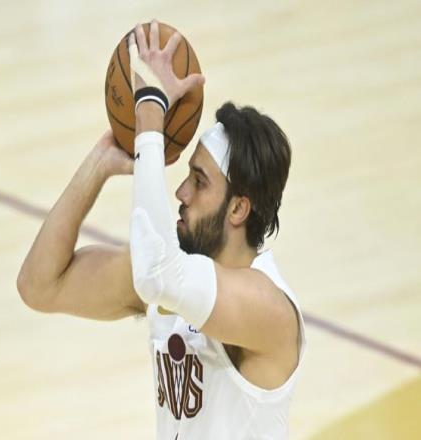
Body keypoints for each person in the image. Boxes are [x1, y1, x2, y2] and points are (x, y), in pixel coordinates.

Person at [17, 20, 305, 440]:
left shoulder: (268, 309)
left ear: (238, 208)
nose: (182, 191)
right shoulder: (170, 278)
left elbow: (158, 273)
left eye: (200, 182)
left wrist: (150, 113)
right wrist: (100, 162)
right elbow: (39, 285)